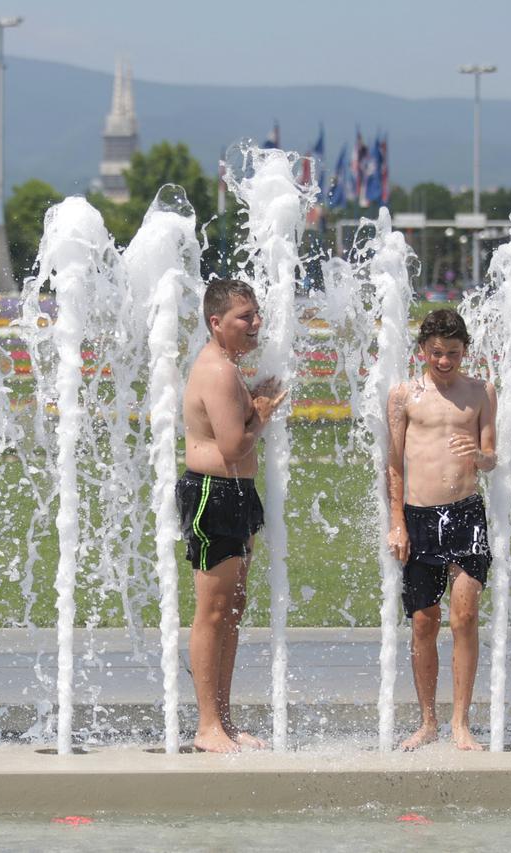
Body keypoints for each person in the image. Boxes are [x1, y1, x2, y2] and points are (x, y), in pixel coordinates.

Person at [177, 278, 286, 753]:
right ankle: (206, 728)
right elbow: (233, 446)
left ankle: (223, 719)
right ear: (216, 322)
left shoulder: (229, 367)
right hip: (213, 496)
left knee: (232, 610)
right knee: (213, 612)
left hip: (236, 493)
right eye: (246, 316)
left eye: (257, 313)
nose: (256, 323)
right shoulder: (218, 371)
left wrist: (252, 402)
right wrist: (261, 413)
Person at [386, 308, 496, 751]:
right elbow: (393, 465)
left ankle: (460, 723)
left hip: (467, 513)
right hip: (419, 517)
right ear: (423, 351)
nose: (445, 361)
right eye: (437, 353)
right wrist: (397, 522)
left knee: (464, 615)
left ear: (464, 351)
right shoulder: (404, 395)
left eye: (453, 353)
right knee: (423, 622)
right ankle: (428, 721)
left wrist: (481, 454)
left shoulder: (482, 392)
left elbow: (491, 456)